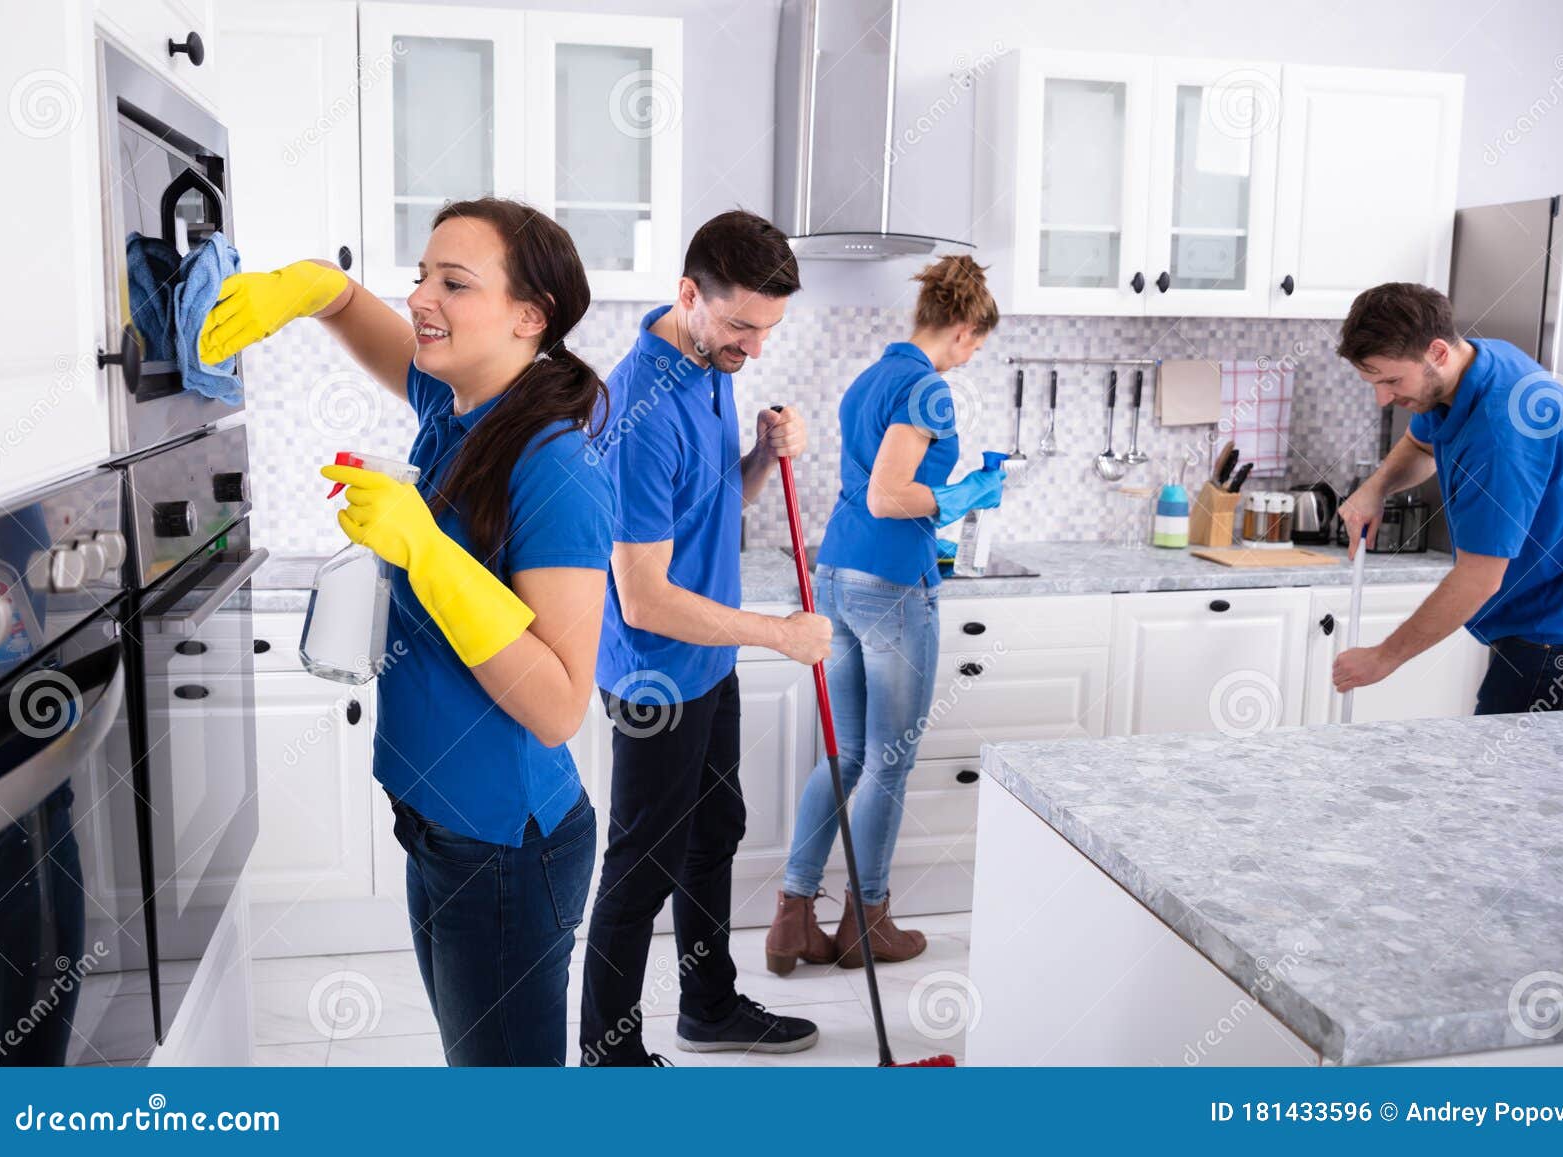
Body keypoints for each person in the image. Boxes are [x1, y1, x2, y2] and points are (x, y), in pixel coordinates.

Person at [199, 198, 614, 1065]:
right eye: (423, 275)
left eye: (455, 283)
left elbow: (559, 705)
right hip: (436, 826)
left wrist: (425, 549)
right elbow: (353, 307)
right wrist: (305, 287)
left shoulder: (557, 466)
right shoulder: (457, 405)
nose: (422, 297)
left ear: (529, 316)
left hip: (504, 848)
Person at [580, 210, 831, 1066]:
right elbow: (643, 598)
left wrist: (759, 455)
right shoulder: (637, 411)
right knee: (640, 866)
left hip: (709, 660)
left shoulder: (707, 358)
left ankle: (710, 1007)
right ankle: (608, 1059)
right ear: (689, 294)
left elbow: (716, 504)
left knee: (714, 830)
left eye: (768, 330)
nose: (753, 348)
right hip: (656, 674)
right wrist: (780, 634)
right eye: (741, 327)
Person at [767, 254, 1004, 975]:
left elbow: (869, 490)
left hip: (837, 573)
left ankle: (792, 917)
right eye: (975, 345)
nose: (970, 359)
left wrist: (941, 505)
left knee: (846, 756)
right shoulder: (928, 388)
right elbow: (887, 495)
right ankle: (867, 922)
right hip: (892, 583)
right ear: (962, 330)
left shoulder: (871, 377)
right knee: (887, 762)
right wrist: (964, 494)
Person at [1332, 281, 1563, 715]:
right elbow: (1421, 446)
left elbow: (1478, 579)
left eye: (1392, 381)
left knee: (1509, 760)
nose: (1383, 399)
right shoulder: (1476, 363)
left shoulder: (1500, 435)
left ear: (1437, 352)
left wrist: (1382, 658)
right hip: (1547, 615)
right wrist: (1374, 489)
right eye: (1373, 382)